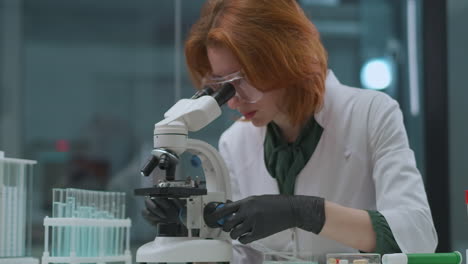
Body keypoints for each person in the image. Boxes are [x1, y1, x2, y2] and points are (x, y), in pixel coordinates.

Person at [143, 0, 438, 263]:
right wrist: (184, 233)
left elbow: (418, 235)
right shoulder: (235, 142)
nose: (231, 100)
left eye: (240, 80)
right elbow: (242, 255)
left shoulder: (370, 113)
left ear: (284, 59)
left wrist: (306, 212)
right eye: (220, 86)